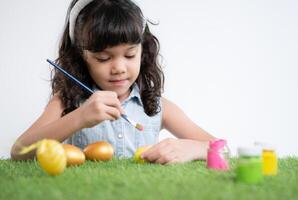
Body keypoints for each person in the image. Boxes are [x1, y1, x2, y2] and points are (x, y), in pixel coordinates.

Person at [10, 0, 216, 164]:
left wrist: (194, 149)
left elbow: (222, 148)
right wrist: (80, 117)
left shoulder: (157, 107)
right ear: (81, 57)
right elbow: (19, 151)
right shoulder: (67, 102)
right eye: (103, 58)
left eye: (129, 55)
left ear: (143, 53)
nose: (119, 67)